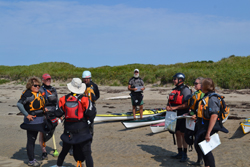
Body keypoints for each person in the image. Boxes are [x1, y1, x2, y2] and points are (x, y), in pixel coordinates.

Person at [54, 78, 96, 167]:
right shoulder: (85, 99)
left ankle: (58, 165)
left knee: (64, 151)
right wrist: (88, 122)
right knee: (87, 153)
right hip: (82, 130)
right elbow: (92, 112)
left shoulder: (63, 99)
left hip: (68, 130)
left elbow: (57, 113)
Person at [192, 78, 228, 167]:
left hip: (209, 127)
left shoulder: (212, 98)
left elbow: (214, 115)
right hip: (204, 126)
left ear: (206, 86)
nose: (201, 86)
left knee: (207, 150)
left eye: (202, 85)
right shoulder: (207, 96)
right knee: (202, 147)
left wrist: (208, 133)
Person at [17, 77, 46, 167]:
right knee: (31, 140)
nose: (38, 87)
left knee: (34, 139)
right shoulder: (28, 94)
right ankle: (31, 161)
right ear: (30, 86)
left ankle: (32, 159)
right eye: (35, 85)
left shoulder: (38, 93)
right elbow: (19, 104)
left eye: (39, 85)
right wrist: (27, 115)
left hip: (39, 121)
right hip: (32, 122)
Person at [166, 73, 192, 162]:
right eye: (173, 79)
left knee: (183, 133)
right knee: (177, 132)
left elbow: (187, 104)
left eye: (175, 79)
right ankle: (179, 152)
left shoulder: (186, 90)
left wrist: (174, 108)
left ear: (180, 80)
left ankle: (185, 154)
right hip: (174, 114)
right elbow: (170, 101)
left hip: (183, 114)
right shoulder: (175, 90)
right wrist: (168, 107)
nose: (173, 80)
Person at [38, 73, 58, 160]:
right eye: (46, 79)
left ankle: (47, 147)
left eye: (49, 79)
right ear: (43, 80)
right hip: (43, 114)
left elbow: (57, 102)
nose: (48, 80)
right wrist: (43, 109)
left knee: (51, 131)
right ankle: (44, 152)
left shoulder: (53, 89)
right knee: (42, 132)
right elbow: (37, 102)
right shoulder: (40, 90)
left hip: (53, 113)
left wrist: (59, 113)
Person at [186, 77, 205, 166]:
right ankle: (199, 160)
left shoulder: (202, 95)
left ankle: (201, 160)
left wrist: (196, 115)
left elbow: (202, 109)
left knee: (199, 141)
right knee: (195, 141)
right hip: (194, 120)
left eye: (196, 83)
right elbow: (193, 106)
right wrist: (190, 113)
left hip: (200, 122)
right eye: (194, 83)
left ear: (201, 85)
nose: (194, 84)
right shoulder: (195, 93)